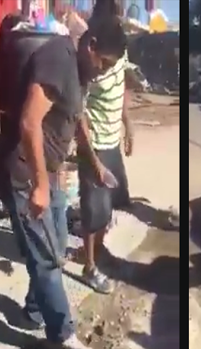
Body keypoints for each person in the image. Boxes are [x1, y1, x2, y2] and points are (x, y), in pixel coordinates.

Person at [0, 16, 128, 349]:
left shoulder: (81, 72)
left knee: (51, 250)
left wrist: (94, 165)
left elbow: (77, 118)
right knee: (48, 258)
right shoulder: (58, 59)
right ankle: (62, 335)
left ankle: (34, 311)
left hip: (48, 172)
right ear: (91, 44)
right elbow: (29, 121)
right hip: (24, 172)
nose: (103, 71)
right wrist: (39, 183)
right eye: (104, 62)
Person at [74, 0, 133, 294]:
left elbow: (123, 85)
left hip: (112, 141)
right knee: (93, 210)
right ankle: (90, 267)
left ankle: (100, 253)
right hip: (94, 145)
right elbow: (78, 115)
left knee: (110, 208)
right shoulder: (87, 58)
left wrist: (128, 124)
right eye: (118, 5)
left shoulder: (119, 44)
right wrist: (93, 161)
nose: (123, 10)